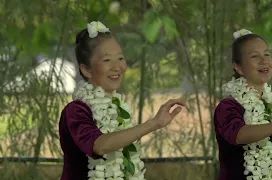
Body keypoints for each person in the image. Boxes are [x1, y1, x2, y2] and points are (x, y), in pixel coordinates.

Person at [59, 21, 185, 180]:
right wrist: (153, 123)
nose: (116, 66)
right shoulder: (75, 111)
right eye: (106, 60)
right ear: (86, 69)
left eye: (120, 58)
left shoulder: (119, 109)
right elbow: (99, 145)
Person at [214, 29, 272, 180]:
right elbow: (239, 135)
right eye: (254, 56)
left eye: (267, 54)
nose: (264, 61)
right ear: (238, 67)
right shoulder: (228, 106)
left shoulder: (271, 104)